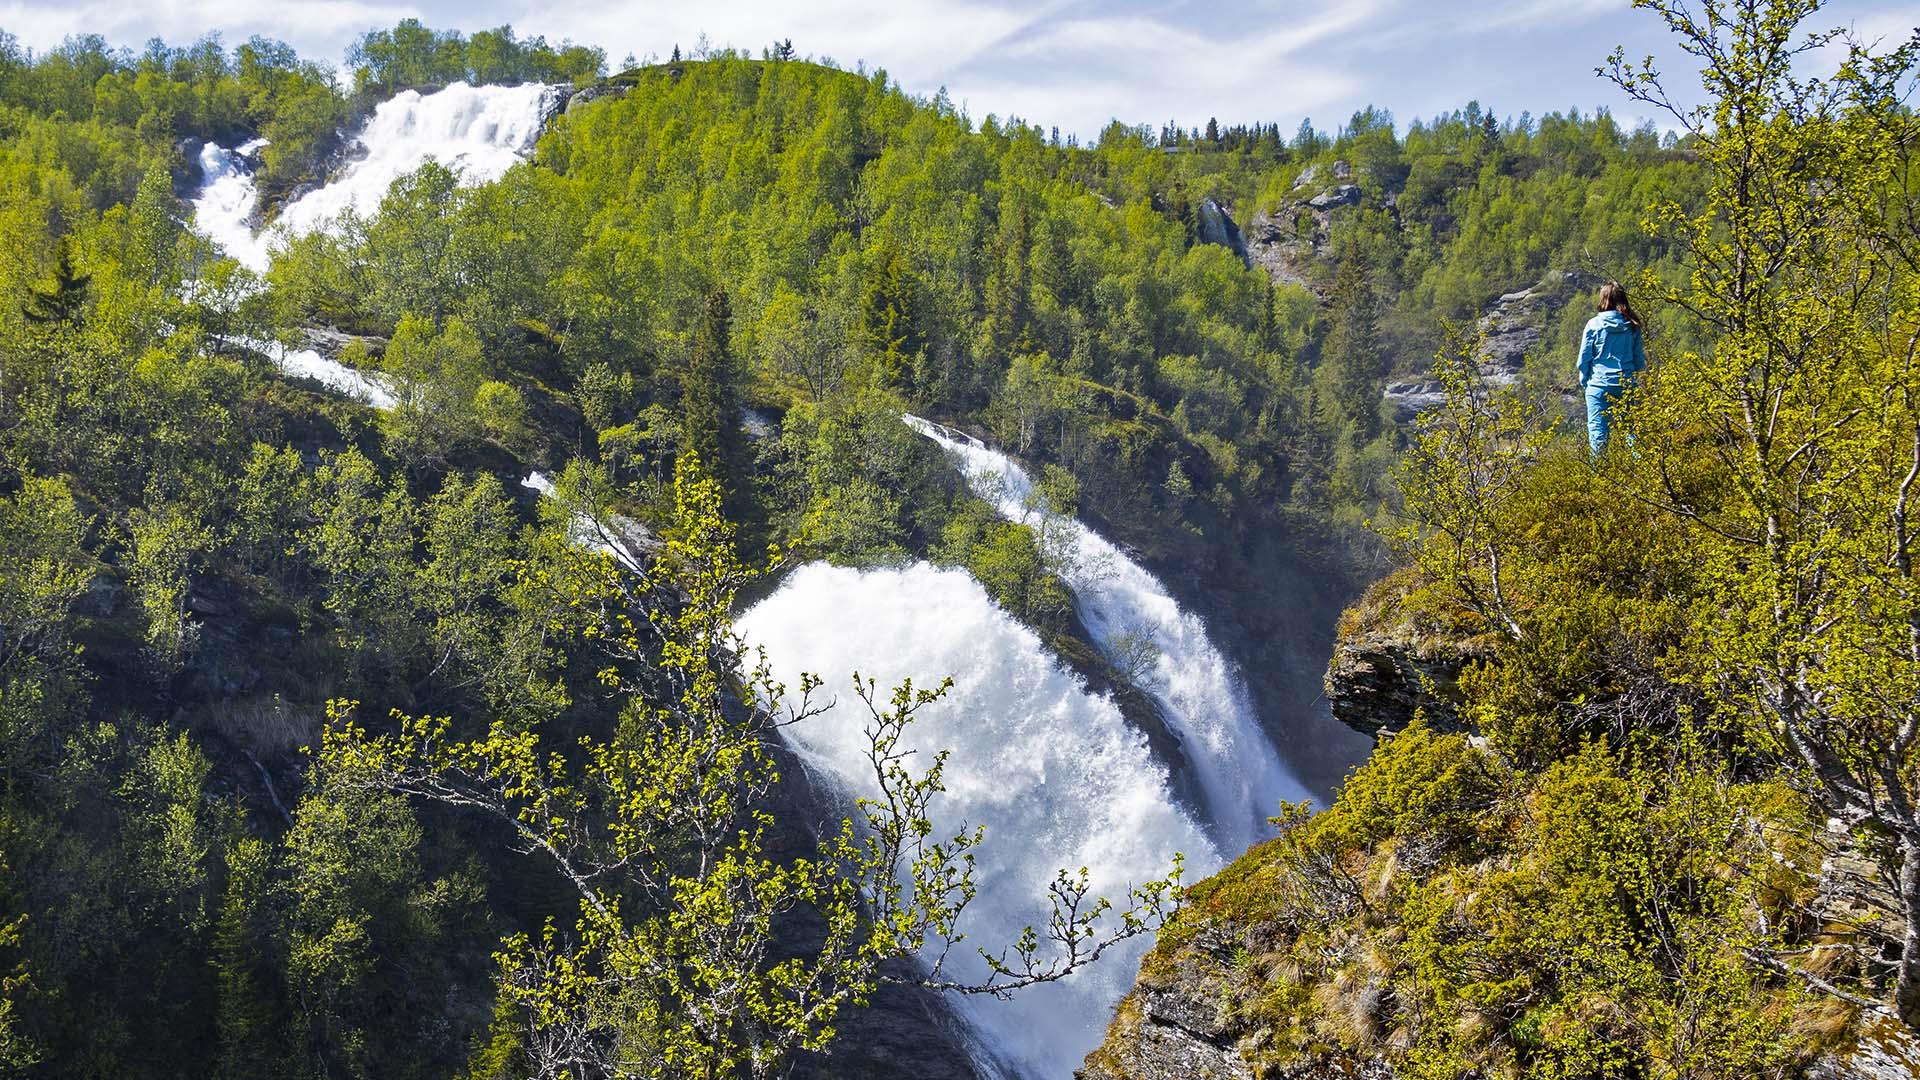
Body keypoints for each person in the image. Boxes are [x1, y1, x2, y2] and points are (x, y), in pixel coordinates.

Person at [1577, 280, 1647, 455]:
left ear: (1604, 299)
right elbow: (1639, 361)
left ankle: (1599, 477)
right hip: (1626, 384)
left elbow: (1583, 359)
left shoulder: (1593, 325)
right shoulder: (1633, 325)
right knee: (1632, 432)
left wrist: (1585, 380)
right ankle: (1645, 473)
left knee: (1598, 434)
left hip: (1598, 385)